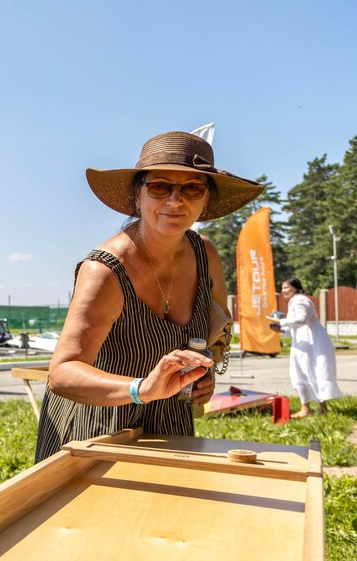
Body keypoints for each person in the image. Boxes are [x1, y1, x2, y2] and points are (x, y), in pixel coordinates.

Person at [35, 131, 265, 462]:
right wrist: (141, 388)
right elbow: (62, 373)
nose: (175, 201)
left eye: (192, 188)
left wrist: (204, 375)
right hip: (97, 428)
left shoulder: (206, 256)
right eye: (159, 187)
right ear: (137, 196)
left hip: (170, 425)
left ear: (205, 201)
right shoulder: (105, 270)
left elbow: (212, 338)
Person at [268, 277, 342, 417]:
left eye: (286, 287)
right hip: (305, 340)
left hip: (310, 340)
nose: (284, 291)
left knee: (306, 371)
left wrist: (281, 321)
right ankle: (316, 408)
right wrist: (281, 329)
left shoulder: (300, 300)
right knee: (310, 371)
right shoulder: (296, 301)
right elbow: (296, 326)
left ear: (295, 287)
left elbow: (301, 319)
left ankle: (309, 409)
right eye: (282, 288)